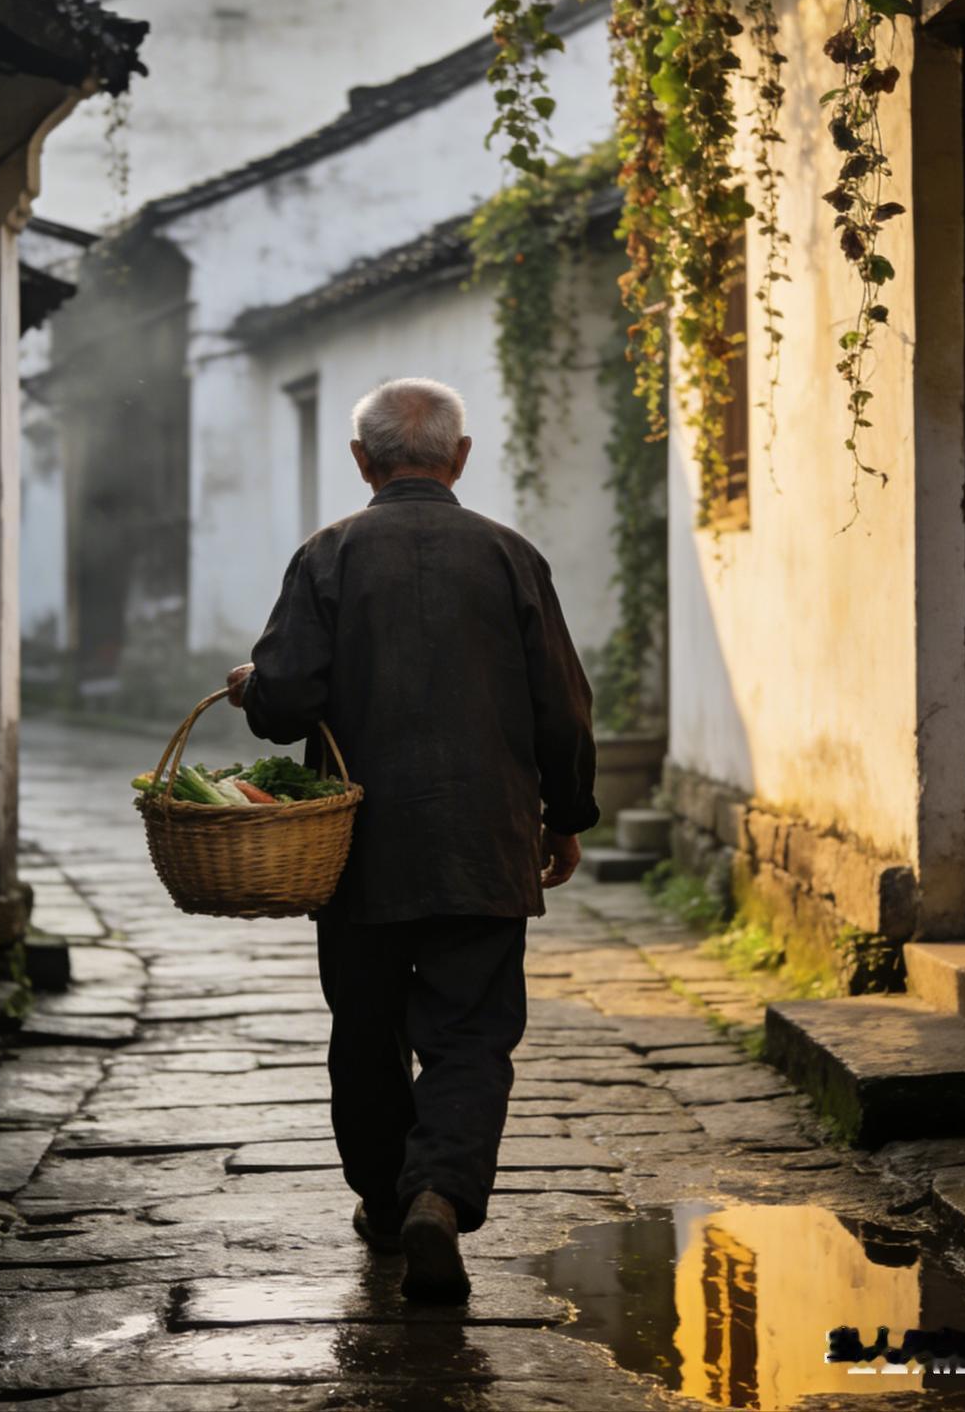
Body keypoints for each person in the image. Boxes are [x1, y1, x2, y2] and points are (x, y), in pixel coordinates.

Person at [226, 376, 598, 1303]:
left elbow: (285, 704)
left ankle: (387, 1209)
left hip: (357, 848)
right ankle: (438, 1191)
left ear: (363, 461)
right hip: (485, 840)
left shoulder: (329, 555)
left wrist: (250, 688)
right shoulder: (512, 556)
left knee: (364, 1028)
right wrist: (567, 816)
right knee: (473, 1035)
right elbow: (565, 706)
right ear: (461, 457)